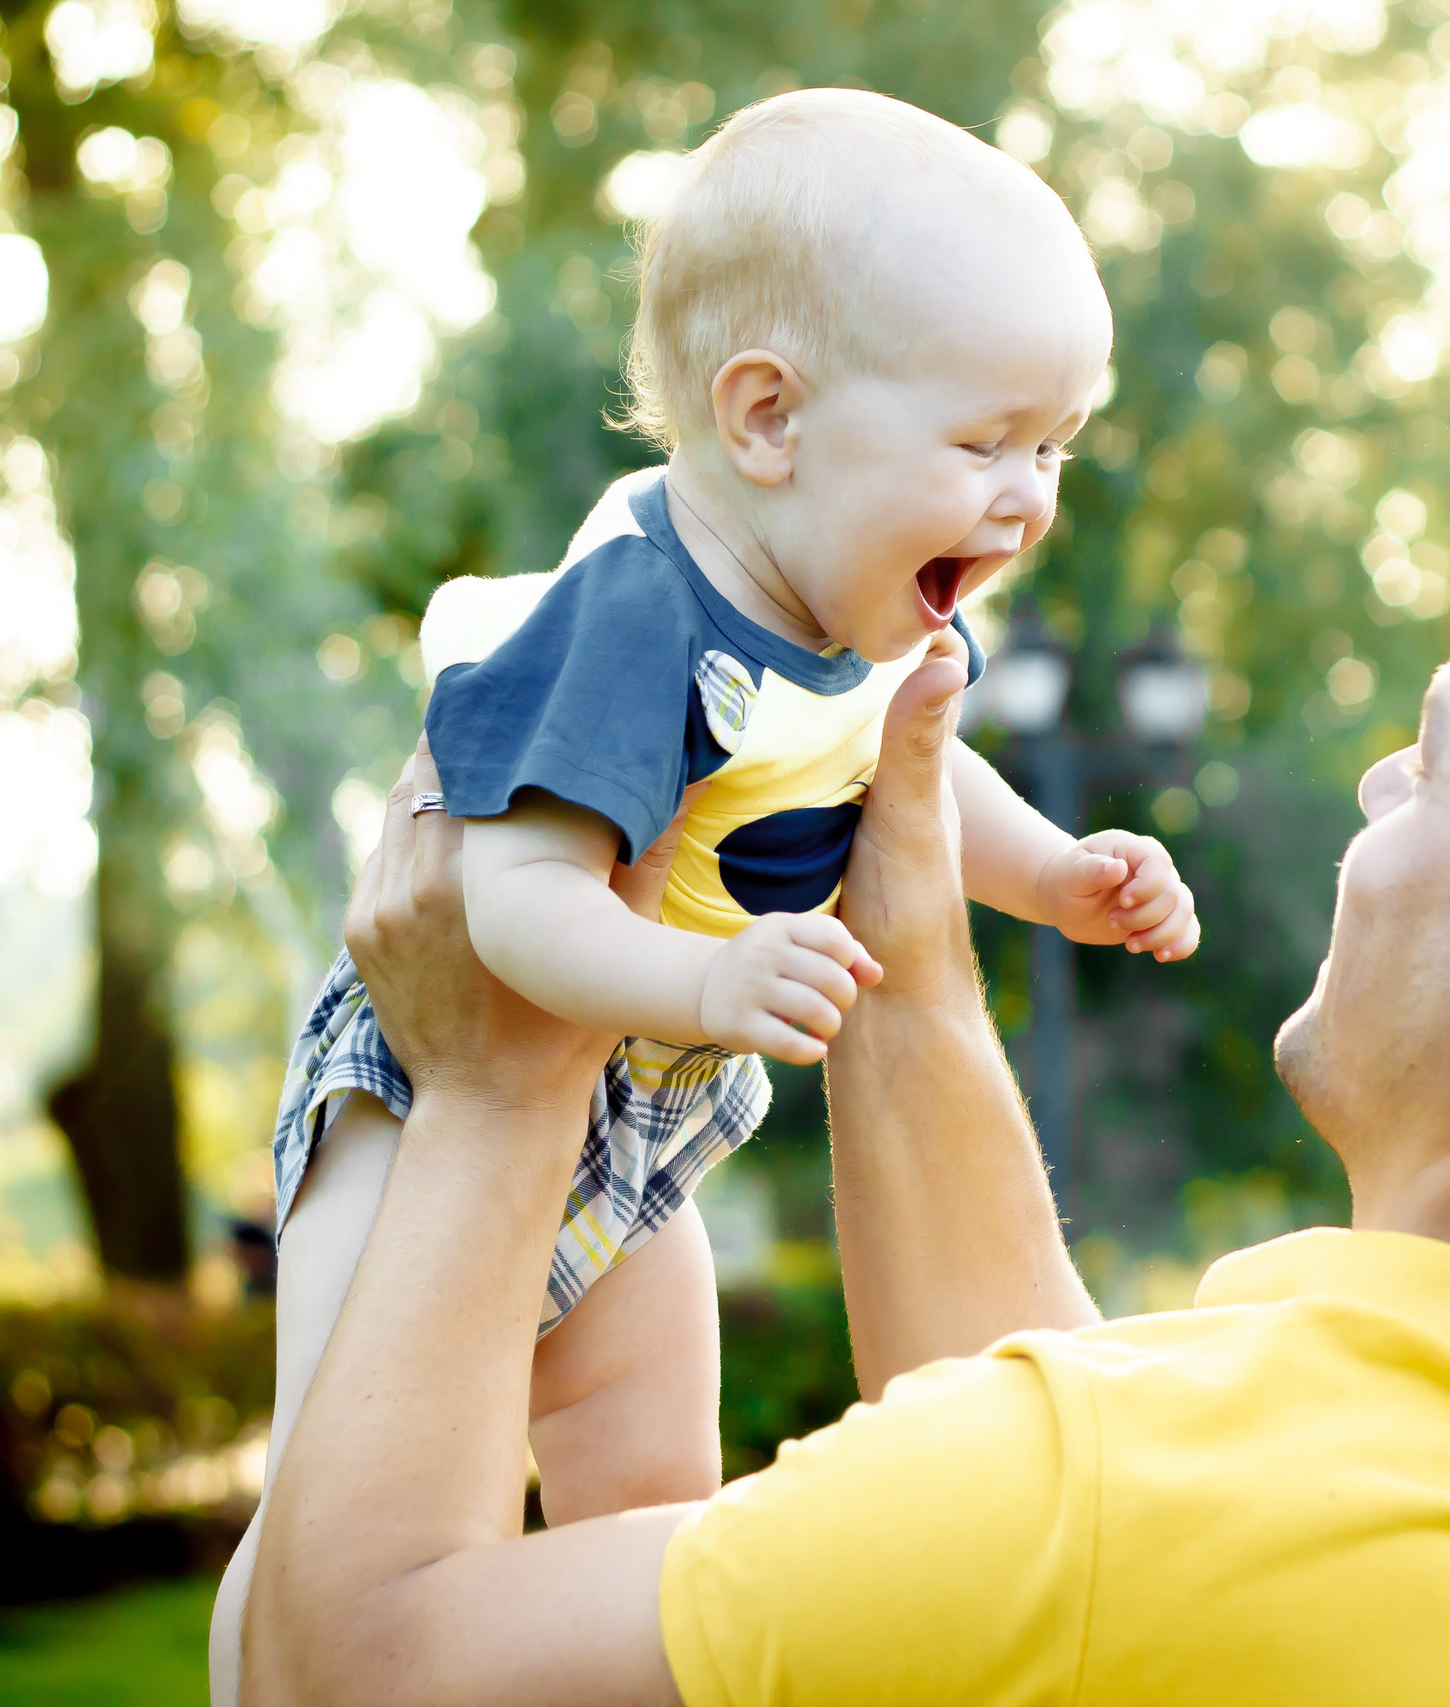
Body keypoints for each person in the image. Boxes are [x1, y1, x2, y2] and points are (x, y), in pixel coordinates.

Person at [242, 526, 1450, 1706]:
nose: (1376, 782)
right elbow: (1087, 1517)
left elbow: (363, 1665)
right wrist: (908, 917)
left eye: (1432, 762)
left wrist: (501, 1082)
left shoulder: (1111, 1504)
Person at [209, 89, 1202, 1701]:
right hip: (428, 1092)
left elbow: (922, 775)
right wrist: (707, 989)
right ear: (766, 420)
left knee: (660, 1477)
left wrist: (1062, 880)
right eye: (987, 440)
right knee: (337, 1489)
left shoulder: (855, 627)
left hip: (642, 1101)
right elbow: (511, 908)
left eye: (1056, 447)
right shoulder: (633, 619)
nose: (1031, 496)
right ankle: (256, 1669)